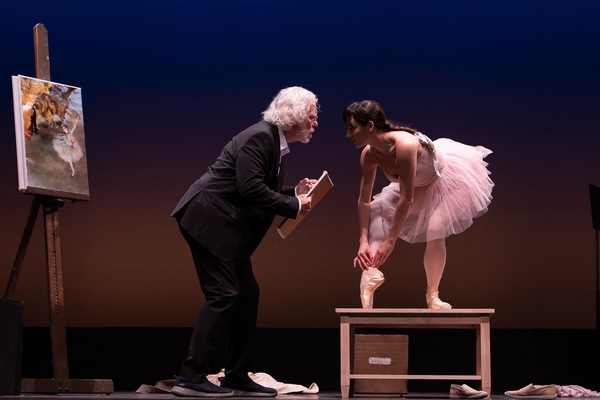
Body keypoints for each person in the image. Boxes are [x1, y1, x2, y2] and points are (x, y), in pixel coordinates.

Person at [171, 86, 320, 398]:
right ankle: (190, 376)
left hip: (222, 226)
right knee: (224, 294)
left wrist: (294, 192)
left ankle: (237, 374)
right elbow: (250, 189)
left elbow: (254, 186)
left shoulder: (271, 141)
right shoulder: (260, 137)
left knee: (247, 293)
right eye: (311, 116)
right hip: (208, 221)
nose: (315, 123)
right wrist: (293, 205)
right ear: (294, 116)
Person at [343, 100, 493, 309]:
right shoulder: (369, 154)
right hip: (417, 185)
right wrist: (363, 240)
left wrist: (390, 241)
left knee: (435, 228)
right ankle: (371, 274)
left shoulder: (405, 145)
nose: (348, 134)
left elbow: (407, 198)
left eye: (352, 128)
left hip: (447, 180)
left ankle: (433, 295)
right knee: (376, 208)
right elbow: (364, 201)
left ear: (370, 126)